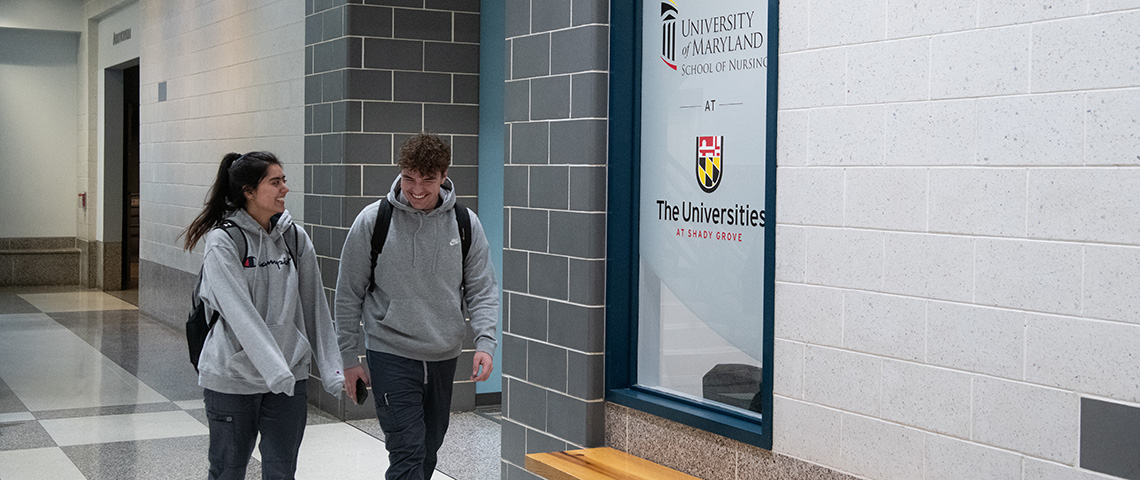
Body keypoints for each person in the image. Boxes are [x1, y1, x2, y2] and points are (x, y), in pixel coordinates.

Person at [335, 133, 499, 480]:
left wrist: (485, 342)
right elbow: (348, 294)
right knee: (407, 449)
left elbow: (482, 289)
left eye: (428, 179)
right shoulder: (373, 221)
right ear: (400, 172)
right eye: (409, 178)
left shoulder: (465, 224)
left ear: (444, 175)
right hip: (390, 351)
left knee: (427, 449)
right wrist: (349, 359)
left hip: (443, 353)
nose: (417, 189)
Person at [182, 151, 345, 480]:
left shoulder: (295, 238)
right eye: (275, 182)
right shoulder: (223, 242)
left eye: (284, 180)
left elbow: (315, 306)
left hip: (287, 380)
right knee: (228, 471)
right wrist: (275, 369)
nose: (285, 188)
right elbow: (241, 315)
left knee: (282, 472)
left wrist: (332, 370)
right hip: (233, 379)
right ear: (249, 191)